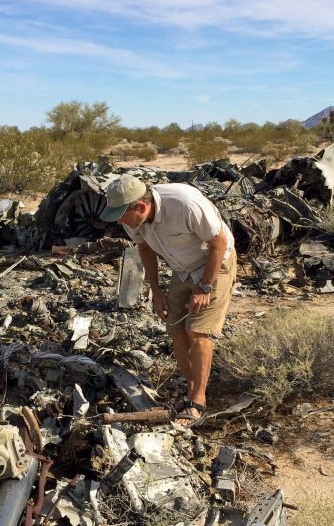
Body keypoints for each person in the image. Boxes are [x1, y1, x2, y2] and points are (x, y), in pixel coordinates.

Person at [100, 175, 236, 427]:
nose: (119, 221)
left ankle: (198, 402)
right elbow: (145, 249)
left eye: (121, 215)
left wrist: (205, 287)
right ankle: (191, 387)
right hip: (181, 268)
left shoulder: (185, 204)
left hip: (215, 263)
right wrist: (156, 291)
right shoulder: (132, 217)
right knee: (175, 329)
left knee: (196, 331)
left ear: (140, 206)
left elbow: (219, 242)